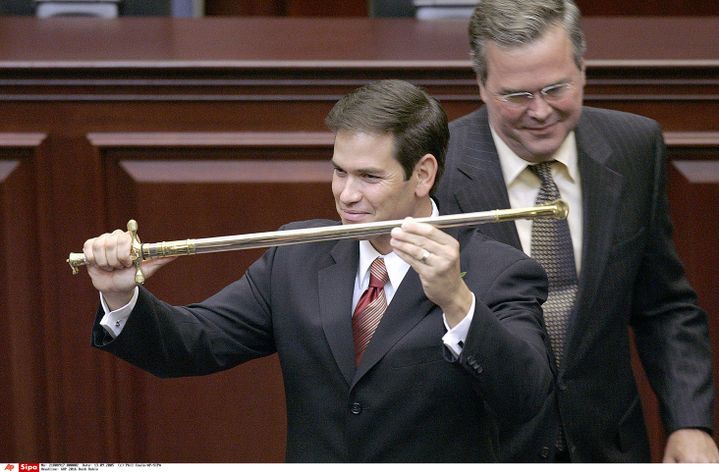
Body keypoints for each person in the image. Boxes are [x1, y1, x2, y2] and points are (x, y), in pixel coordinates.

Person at [82, 79, 553, 462]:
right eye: (339, 171)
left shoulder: (498, 271)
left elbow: (526, 398)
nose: (346, 194)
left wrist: (457, 302)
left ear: (423, 174)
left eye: (368, 177)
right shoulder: (298, 255)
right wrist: (123, 298)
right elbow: (193, 345)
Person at [436, 0, 718, 463]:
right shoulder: (439, 167)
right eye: (517, 95)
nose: (541, 111)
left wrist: (689, 422)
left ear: (583, 70)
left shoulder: (635, 145)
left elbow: (664, 305)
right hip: (484, 447)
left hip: (609, 445)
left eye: (555, 88)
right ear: (482, 85)